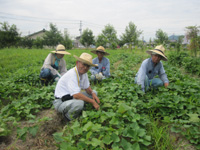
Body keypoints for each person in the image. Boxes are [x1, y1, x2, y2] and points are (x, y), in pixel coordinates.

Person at [53, 53, 100, 121]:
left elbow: (87, 88)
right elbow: (76, 95)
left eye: (88, 66)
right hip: (61, 102)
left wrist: (92, 93)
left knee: (94, 92)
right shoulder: (72, 74)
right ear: (77, 62)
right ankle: (68, 118)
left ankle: (80, 109)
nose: (85, 67)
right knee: (79, 103)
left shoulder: (83, 73)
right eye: (84, 64)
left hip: (70, 98)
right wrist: (92, 102)